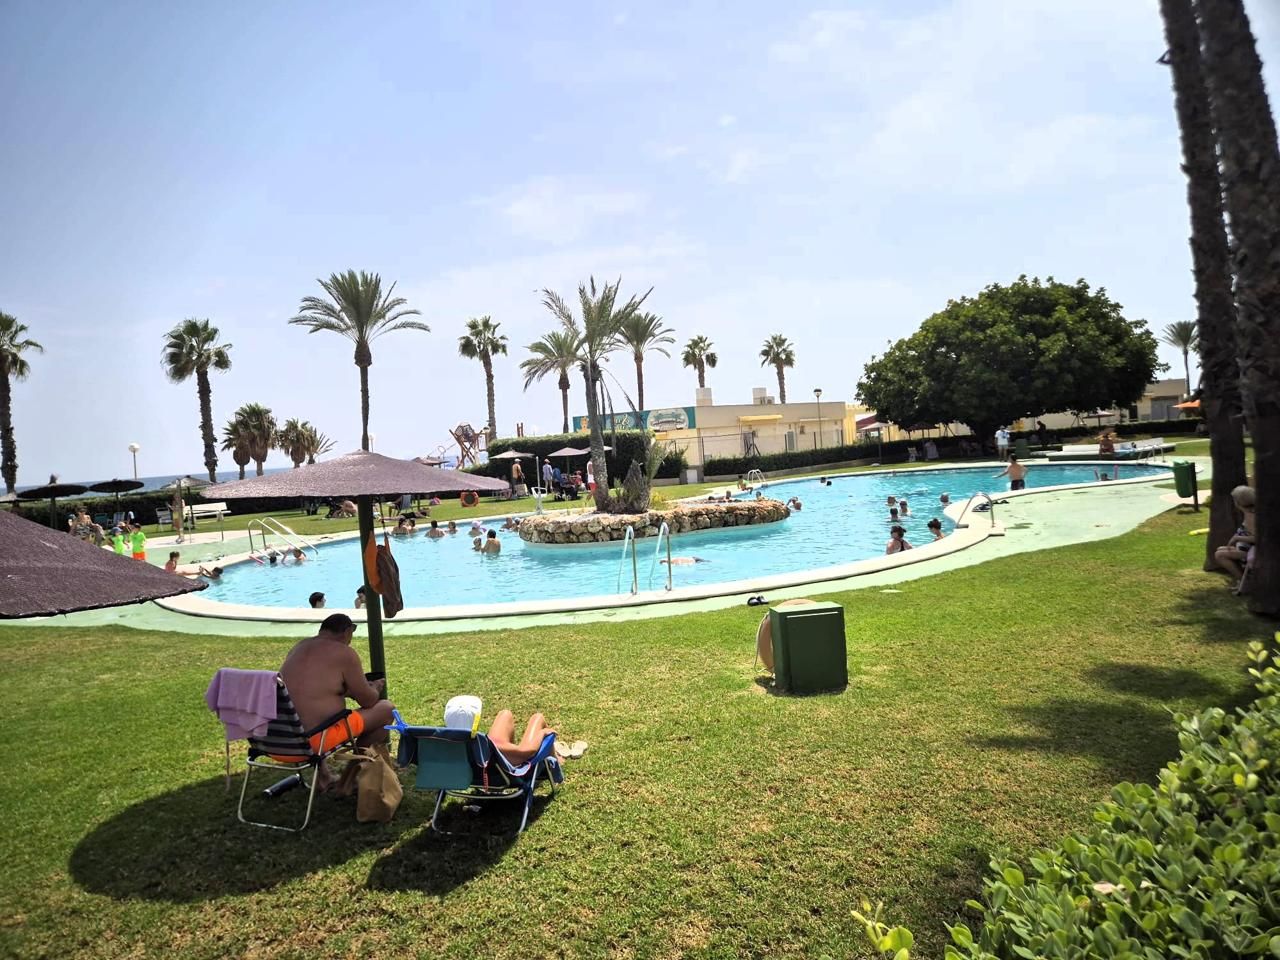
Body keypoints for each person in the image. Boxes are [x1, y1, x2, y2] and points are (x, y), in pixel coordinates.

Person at [279, 613, 397, 788]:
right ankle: (347, 781)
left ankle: (323, 777)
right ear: (347, 631)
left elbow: (312, 692)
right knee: (386, 710)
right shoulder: (344, 653)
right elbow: (368, 701)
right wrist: (375, 688)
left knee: (313, 716)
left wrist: (343, 691)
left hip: (279, 739)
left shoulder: (299, 647)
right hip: (313, 741)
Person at [1214, 486, 1256, 582]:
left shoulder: (1252, 517)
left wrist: (1238, 538)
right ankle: (1243, 578)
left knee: (1219, 555)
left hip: (1251, 552)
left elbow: (1257, 539)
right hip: (1246, 548)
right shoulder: (1250, 512)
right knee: (1220, 549)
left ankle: (1243, 582)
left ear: (1238, 503)